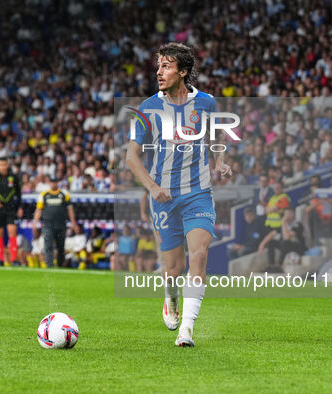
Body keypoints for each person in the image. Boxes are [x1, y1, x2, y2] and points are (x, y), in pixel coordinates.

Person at [125, 42, 231, 347]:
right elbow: (131, 157)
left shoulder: (207, 103)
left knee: (199, 255)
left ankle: (187, 330)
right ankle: (170, 299)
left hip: (198, 192)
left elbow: (216, 133)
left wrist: (219, 160)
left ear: (183, 71)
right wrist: (153, 188)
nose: (159, 72)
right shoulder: (147, 108)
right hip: (164, 197)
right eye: (158, 66)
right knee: (172, 268)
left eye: (166, 66)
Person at [32, 175, 78, 268]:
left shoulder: (64, 194)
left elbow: (70, 209)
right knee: (48, 245)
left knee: (61, 246)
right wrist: (34, 223)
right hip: (48, 224)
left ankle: (60, 265)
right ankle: (50, 265)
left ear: (57, 182)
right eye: (51, 182)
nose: (53, 184)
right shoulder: (44, 195)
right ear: (49, 183)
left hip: (61, 224)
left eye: (55, 182)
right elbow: (39, 209)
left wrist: (73, 222)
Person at [259, 207, 306, 272]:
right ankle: (271, 265)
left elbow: (287, 237)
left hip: (297, 247)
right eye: (285, 214)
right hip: (286, 246)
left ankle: (279, 266)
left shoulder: (297, 224)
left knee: (285, 242)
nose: (286, 215)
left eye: (289, 213)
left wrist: (283, 222)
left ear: (293, 214)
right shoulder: (285, 224)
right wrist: (262, 244)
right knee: (271, 242)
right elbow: (272, 233)